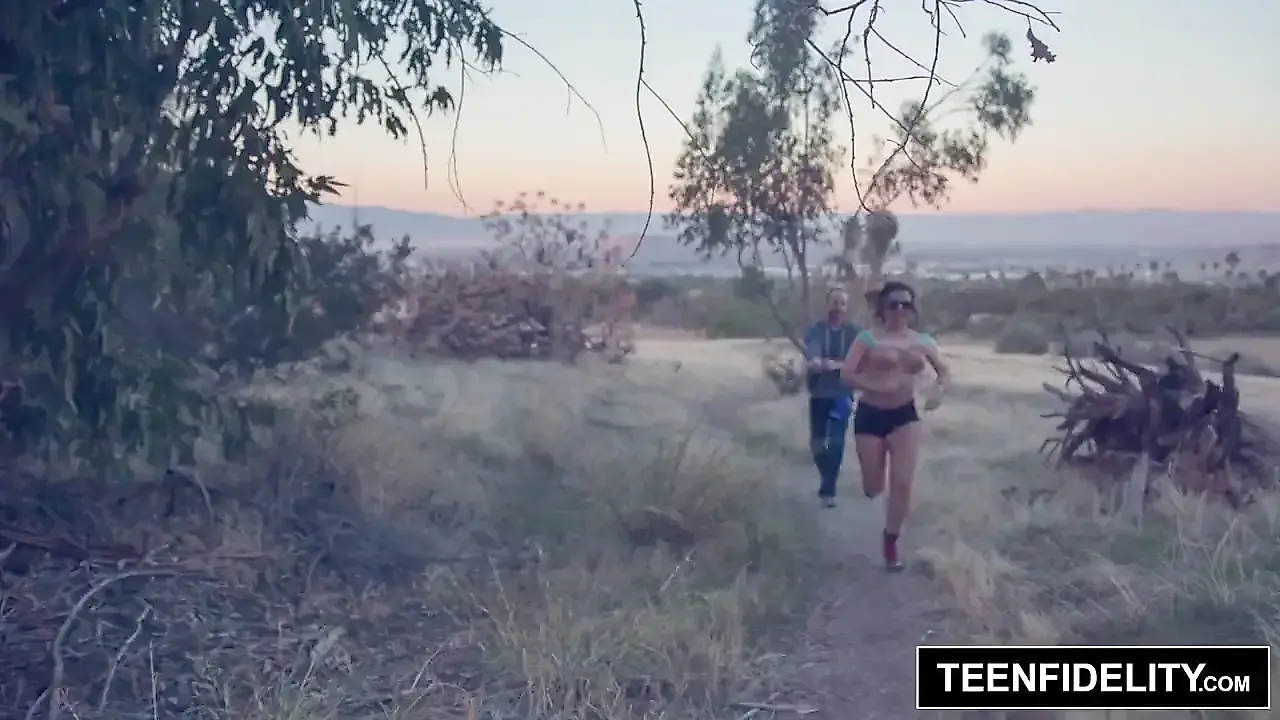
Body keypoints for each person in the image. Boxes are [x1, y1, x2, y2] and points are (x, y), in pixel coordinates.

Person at [840, 281, 951, 572]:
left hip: (905, 415)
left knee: (902, 482)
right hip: (870, 415)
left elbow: (944, 371)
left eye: (906, 304)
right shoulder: (867, 338)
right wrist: (875, 385)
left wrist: (939, 391)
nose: (900, 310)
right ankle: (873, 487)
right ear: (883, 307)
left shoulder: (922, 341)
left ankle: (891, 543)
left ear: (912, 308)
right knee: (873, 487)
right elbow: (847, 374)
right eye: (893, 304)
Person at [803, 288, 861, 508]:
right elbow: (813, 355)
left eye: (841, 303)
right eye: (834, 302)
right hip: (819, 393)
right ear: (827, 305)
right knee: (817, 443)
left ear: (846, 307)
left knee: (837, 440)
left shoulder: (854, 333)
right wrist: (817, 362)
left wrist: (834, 365)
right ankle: (828, 475)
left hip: (842, 394)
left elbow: (857, 361)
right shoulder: (816, 330)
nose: (837, 307)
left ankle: (828, 490)